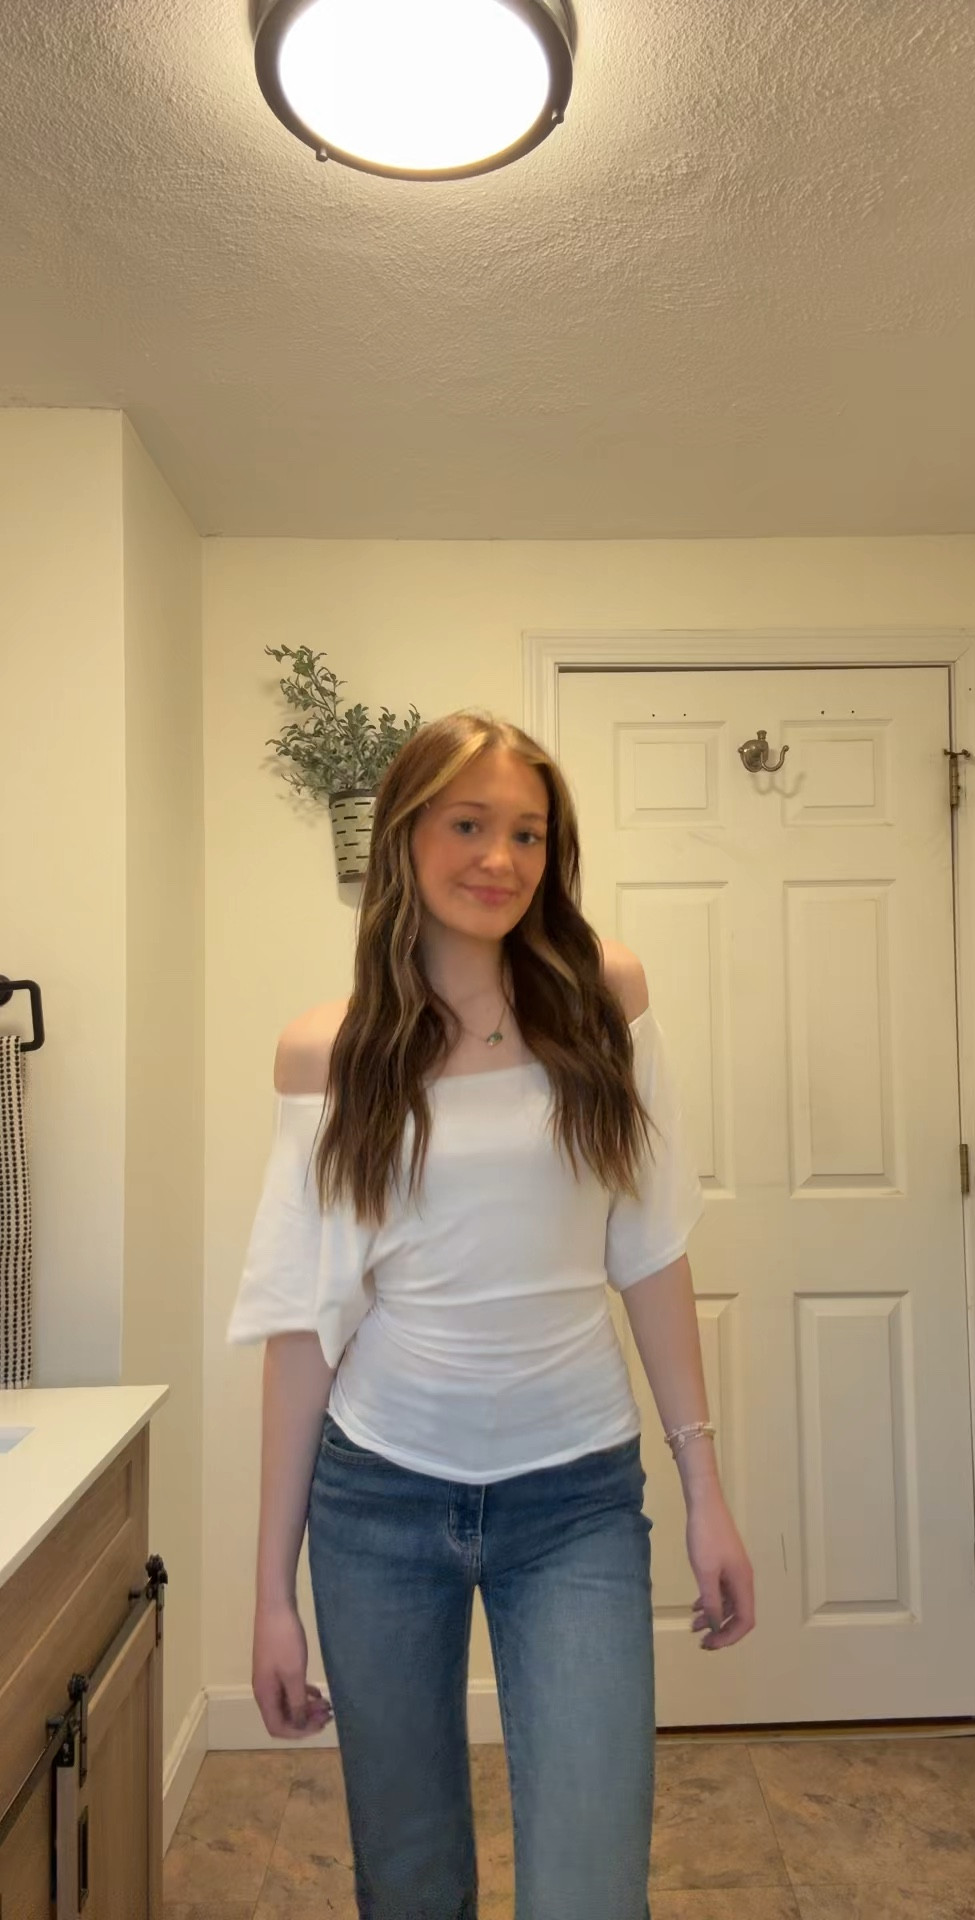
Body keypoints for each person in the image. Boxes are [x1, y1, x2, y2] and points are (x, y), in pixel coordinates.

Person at [227, 709, 755, 1920]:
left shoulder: (604, 1000)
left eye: (528, 832)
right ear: (405, 837)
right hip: (377, 1503)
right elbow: (303, 1328)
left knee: (591, 1886)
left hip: (576, 1501)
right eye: (469, 825)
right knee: (410, 1883)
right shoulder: (327, 1054)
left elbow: (650, 1251)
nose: (501, 859)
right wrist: (270, 1594)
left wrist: (706, 1492)